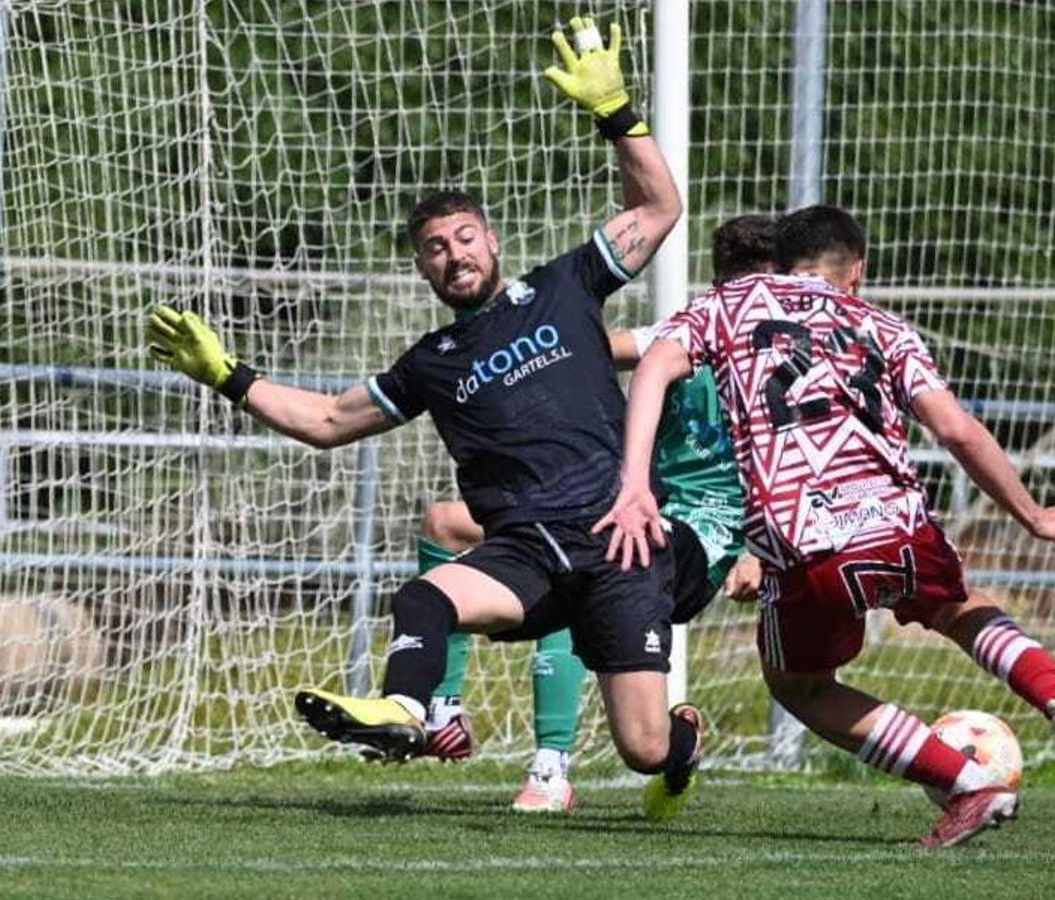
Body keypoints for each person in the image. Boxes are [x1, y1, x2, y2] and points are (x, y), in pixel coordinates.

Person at [148, 16, 704, 819]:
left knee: (644, 749)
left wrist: (616, 111)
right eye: (437, 247)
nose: (455, 254)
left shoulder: (564, 286)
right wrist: (229, 375)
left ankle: (686, 742)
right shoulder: (431, 362)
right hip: (527, 557)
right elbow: (328, 421)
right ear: (422, 267)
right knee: (427, 598)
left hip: (618, 540)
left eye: (465, 237)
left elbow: (657, 207)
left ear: (493, 240)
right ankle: (407, 713)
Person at [596, 204, 1055, 847]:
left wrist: (633, 488)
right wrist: (1033, 514)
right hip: (900, 522)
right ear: (857, 271)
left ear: (784, 258)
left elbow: (652, 365)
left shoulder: (733, 302)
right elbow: (956, 429)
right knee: (961, 609)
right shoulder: (883, 324)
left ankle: (966, 783)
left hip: (805, 540)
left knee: (802, 687)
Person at [416, 215, 773, 814]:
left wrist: (755, 549)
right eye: (731, 289)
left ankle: (552, 767)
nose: (745, 303)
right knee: (452, 522)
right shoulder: (683, 333)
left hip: (703, 533)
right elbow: (589, 346)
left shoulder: (792, 357)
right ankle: (442, 708)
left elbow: (789, 466)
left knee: (582, 547)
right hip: (633, 505)